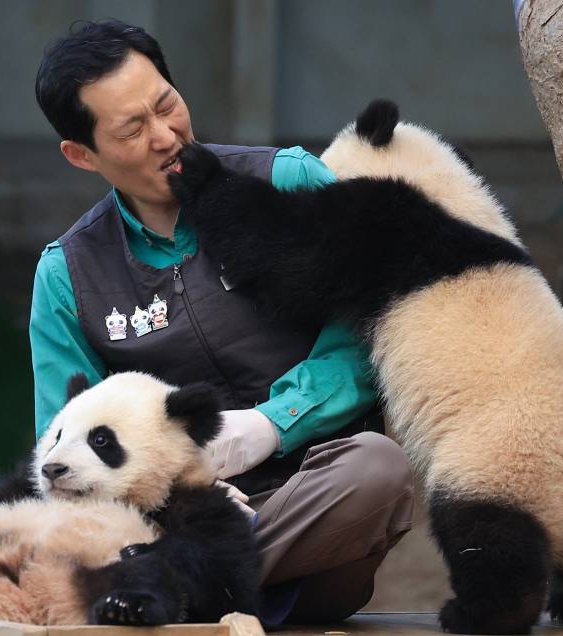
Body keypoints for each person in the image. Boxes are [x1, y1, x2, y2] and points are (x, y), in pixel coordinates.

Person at [30, 19, 413, 624]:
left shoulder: (289, 181)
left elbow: (380, 329)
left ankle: (162, 590)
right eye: (133, 128)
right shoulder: (66, 277)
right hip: (170, 519)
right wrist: (182, 496)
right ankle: (178, 585)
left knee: (378, 469)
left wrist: (270, 423)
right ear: (82, 155)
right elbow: (62, 461)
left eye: (166, 106)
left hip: (312, 500)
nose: (166, 137)